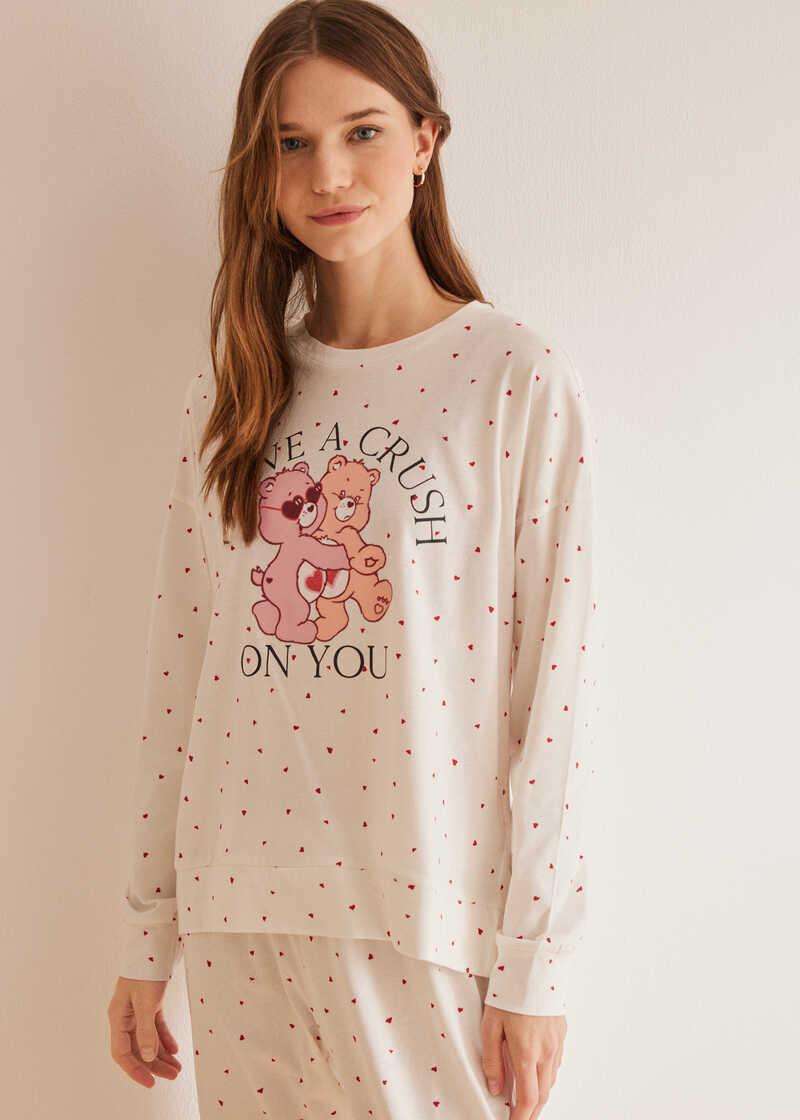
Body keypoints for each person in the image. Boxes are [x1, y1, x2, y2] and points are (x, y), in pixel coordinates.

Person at [106, 2, 600, 1117]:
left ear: (425, 139)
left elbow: (553, 692)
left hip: (421, 912)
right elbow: (180, 667)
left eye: (361, 131)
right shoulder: (236, 388)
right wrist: (146, 928)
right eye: (292, 142)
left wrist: (536, 962)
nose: (328, 173)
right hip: (237, 902)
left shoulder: (510, 378)